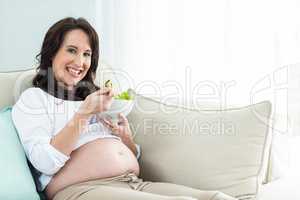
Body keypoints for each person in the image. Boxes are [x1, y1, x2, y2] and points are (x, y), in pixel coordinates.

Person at [12, 17, 237, 200]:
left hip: (133, 184)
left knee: (217, 197)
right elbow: (44, 162)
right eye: (71, 50)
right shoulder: (34, 100)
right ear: (52, 53)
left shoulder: (95, 99)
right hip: (81, 190)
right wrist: (84, 114)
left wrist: (126, 140)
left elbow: (124, 156)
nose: (80, 62)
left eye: (87, 54)